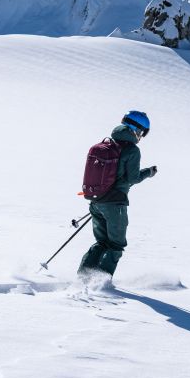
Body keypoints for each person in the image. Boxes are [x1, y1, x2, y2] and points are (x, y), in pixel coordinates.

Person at [78, 111, 157, 281]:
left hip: (96, 201)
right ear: (137, 129)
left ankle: (82, 278)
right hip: (115, 205)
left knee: (101, 243)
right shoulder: (132, 150)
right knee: (115, 245)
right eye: (143, 132)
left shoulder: (108, 143)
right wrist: (148, 172)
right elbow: (132, 178)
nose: (141, 136)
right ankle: (100, 283)